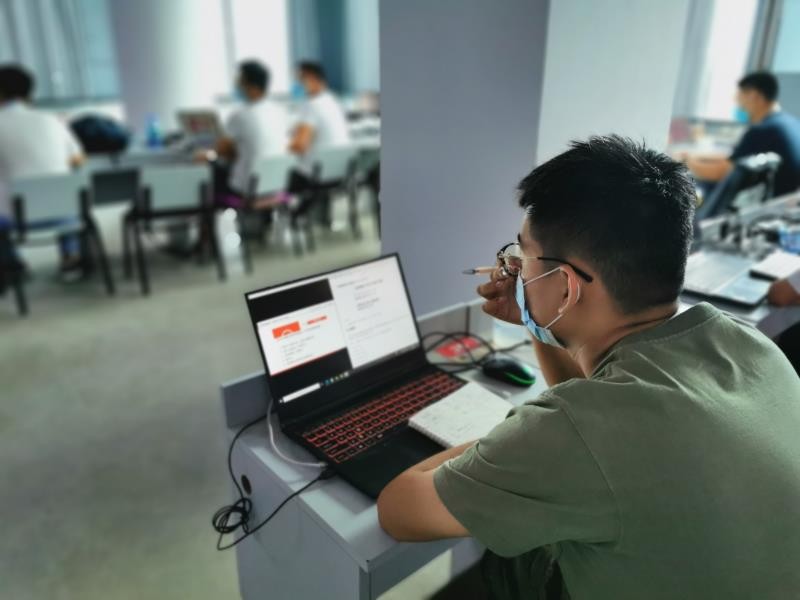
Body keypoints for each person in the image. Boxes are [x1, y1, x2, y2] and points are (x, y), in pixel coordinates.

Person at [376, 135, 800, 599]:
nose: (514, 269)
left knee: (504, 559)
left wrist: (517, 442)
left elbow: (398, 510)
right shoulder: (747, 343)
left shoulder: (575, 434)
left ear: (566, 286)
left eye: (522, 257)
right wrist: (538, 322)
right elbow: (591, 402)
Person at [0, 64, 86, 278]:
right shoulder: (52, 120)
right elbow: (78, 160)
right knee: (60, 187)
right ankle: (71, 258)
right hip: (67, 215)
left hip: (17, 220)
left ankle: (12, 266)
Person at [684, 71, 800, 196]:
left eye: (740, 98)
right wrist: (698, 157)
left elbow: (722, 173)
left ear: (753, 96)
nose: (739, 105)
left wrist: (686, 163)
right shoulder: (791, 124)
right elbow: (736, 158)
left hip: (765, 202)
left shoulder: (763, 130)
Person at [214, 60, 289, 204]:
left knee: (211, 174)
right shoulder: (280, 112)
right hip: (278, 185)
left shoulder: (239, 115)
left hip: (249, 189)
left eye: (240, 81)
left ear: (251, 86)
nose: (237, 85)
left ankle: (209, 219)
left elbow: (222, 152)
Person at [287, 62, 351, 224]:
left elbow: (299, 146)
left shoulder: (311, 105)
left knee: (277, 177)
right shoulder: (332, 101)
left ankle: (290, 218)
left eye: (300, 79)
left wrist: (281, 145)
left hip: (316, 177)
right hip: (339, 173)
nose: (297, 84)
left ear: (312, 79)